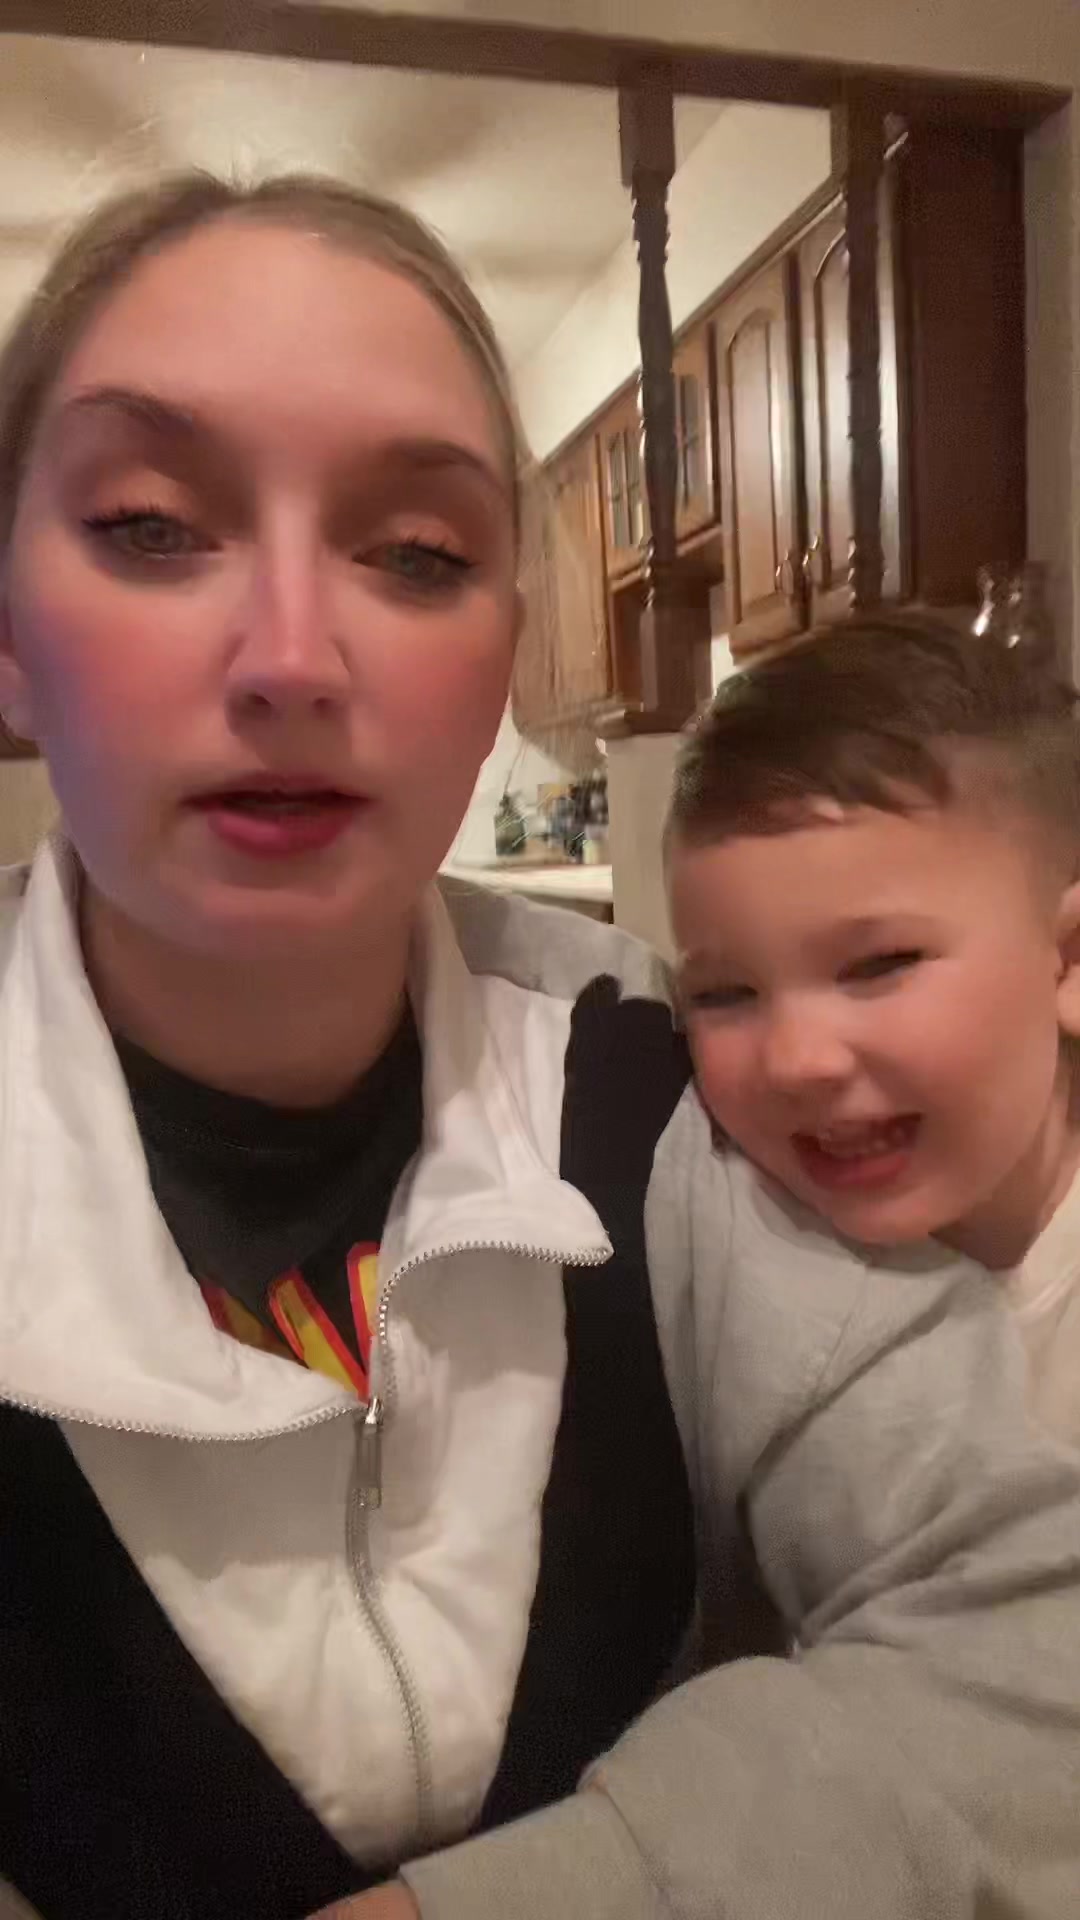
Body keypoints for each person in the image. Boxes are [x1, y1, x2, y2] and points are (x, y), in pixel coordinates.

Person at [0, 176, 1076, 1920]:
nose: (291, 660)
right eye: (150, 526)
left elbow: (1027, 1642)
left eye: (418, 555)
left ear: (502, 654)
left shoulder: (661, 1082)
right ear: (8, 637)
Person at [666, 614, 1080, 1452]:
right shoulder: (727, 1247)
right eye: (724, 993)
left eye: (879, 964)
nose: (796, 1062)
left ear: (1067, 963)